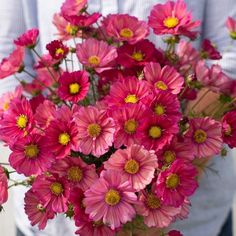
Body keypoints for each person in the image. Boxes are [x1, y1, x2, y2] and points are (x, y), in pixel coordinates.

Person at [0, 0, 236, 235]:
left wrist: (152, 206)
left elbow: (230, 55)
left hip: (183, 215)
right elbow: (7, 53)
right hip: (61, 214)